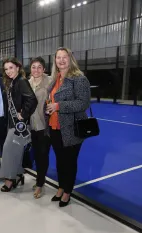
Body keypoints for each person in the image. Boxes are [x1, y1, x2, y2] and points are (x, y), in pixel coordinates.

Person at [46, 47, 90, 207]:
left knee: (69, 162)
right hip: (54, 126)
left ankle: (67, 192)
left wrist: (58, 106)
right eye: (58, 57)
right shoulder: (54, 79)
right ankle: (61, 186)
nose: (62, 60)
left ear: (70, 59)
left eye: (65, 57)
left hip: (72, 129)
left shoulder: (79, 79)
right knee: (59, 161)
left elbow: (83, 103)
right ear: (55, 60)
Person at [0, 58, 37, 192]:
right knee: (16, 151)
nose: (8, 71)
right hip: (13, 123)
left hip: (19, 125)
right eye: (6, 69)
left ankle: (10, 180)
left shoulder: (21, 81)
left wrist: (24, 114)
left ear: (17, 67)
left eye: (11, 68)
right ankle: (19, 174)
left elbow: (32, 99)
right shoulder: (13, 82)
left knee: (8, 150)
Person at [28, 56, 52, 198]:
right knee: (36, 155)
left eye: (39, 67)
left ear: (44, 69)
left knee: (43, 155)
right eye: (33, 67)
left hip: (45, 126)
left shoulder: (50, 82)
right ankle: (39, 179)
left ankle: (40, 184)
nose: (36, 70)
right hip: (31, 126)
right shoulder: (27, 83)